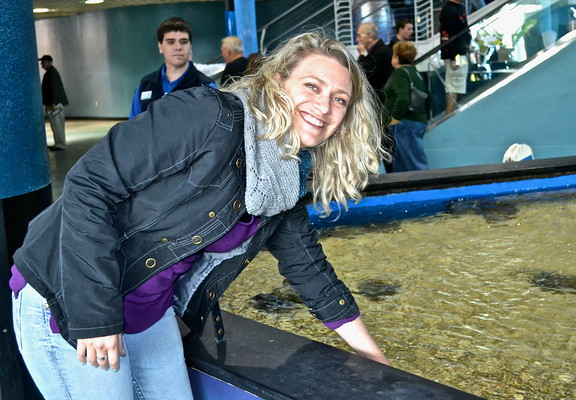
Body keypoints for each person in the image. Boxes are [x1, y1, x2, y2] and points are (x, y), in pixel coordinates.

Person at [10, 31, 389, 400]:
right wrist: (93, 317)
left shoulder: (285, 179)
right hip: (69, 294)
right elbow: (88, 185)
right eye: (311, 86)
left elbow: (310, 270)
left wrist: (379, 364)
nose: (324, 107)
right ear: (278, 81)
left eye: (339, 99)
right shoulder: (207, 116)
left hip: (147, 310)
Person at [129, 17, 213, 119]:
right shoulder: (146, 84)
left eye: (184, 42)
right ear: (160, 46)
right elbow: (133, 126)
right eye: (171, 42)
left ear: (190, 46)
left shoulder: (206, 87)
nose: (178, 47)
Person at [383, 41, 429, 172]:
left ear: (397, 58)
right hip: (417, 121)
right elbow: (428, 96)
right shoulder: (416, 73)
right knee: (412, 160)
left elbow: (403, 98)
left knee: (409, 164)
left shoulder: (400, 73)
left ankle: (420, 190)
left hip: (404, 124)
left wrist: (395, 119)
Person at [356, 22, 394, 172]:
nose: (357, 39)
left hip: (380, 105)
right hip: (377, 104)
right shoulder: (376, 52)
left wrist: (361, 55)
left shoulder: (382, 52)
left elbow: (362, 73)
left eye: (359, 36)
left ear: (369, 36)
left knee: (383, 140)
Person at [439, 0, 472, 115]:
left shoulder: (460, 7)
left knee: (457, 86)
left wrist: (468, 44)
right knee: (453, 86)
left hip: (461, 52)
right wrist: (452, 58)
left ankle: (450, 114)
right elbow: (446, 36)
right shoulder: (448, 11)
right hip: (455, 55)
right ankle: (448, 116)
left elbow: (465, 29)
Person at [39, 55, 69, 150]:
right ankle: (58, 143)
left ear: (49, 62)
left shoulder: (51, 74)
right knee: (56, 125)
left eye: (43, 63)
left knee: (57, 124)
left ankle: (60, 144)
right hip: (55, 103)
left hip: (55, 105)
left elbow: (54, 89)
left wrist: (53, 103)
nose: (41, 65)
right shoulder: (51, 73)